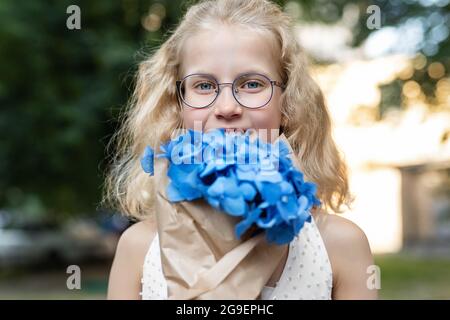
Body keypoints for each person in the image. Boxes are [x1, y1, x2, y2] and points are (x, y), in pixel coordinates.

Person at [104, 0, 377, 300]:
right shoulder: (139, 248)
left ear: (287, 104)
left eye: (251, 84)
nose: (227, 107)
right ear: (177, 105)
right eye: (204, 86)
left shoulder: (340, 246)